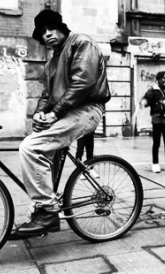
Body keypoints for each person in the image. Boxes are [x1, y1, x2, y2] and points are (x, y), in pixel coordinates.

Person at [14, 9, 111, 237]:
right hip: (67, 111)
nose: (47, 34)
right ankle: (42, 209)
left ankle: (48, 212)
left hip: (87, 108)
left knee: (30, 147)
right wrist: (39, 115)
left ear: (61, 28)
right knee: (42, 155)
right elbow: (47, 95)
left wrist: (55, 113)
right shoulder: (51, 63)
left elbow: (83, 81)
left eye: (51, 29)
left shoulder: (81, 42)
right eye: (42, 32)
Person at [140, 71, 165, 173]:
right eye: (164, 78)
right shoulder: (153, 90)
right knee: (156, 143)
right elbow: (147, 99)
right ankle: (155, 164)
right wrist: (144, 102)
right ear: (158, 80)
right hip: (156, 120)